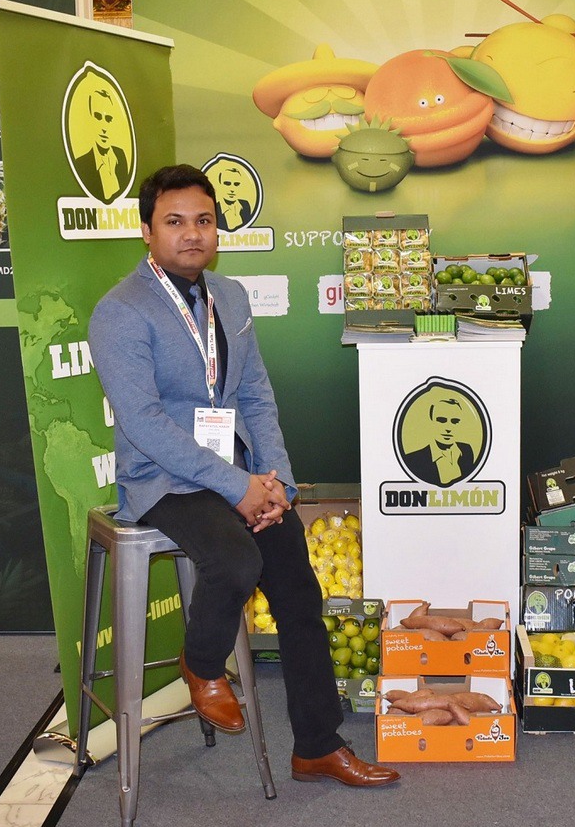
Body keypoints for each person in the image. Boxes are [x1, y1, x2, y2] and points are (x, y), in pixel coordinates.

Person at [88, 164, 398, 788]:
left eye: (204, 221)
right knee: (235, 562)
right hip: (163, 479)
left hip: (236, 472)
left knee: (297, 586)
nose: (192, 234)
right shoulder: (120, 311)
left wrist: (276, 481)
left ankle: (317, 745)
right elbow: (144, 423)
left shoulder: (229, 297)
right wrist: (238, 488)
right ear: (146, 231)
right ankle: (202, 664)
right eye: (175, 222)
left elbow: (256, 395)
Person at [402, 396, 478, 486]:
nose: (448, 428)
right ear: (431, 423)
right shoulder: (413, 460)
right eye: (441, 420)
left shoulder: (467, 450)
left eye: (455, 421)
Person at [74, 88, 132, 204]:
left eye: (108, 119)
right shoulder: (81, 164)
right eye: (98, 117)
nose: (104, 127)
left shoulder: (121, 156)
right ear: (89, 120)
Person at [213, 166, 254, 232]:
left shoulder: (245, 205)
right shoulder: (214, 209)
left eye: (236, 184)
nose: (232, 189)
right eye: (227, 183)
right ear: (220, 185)